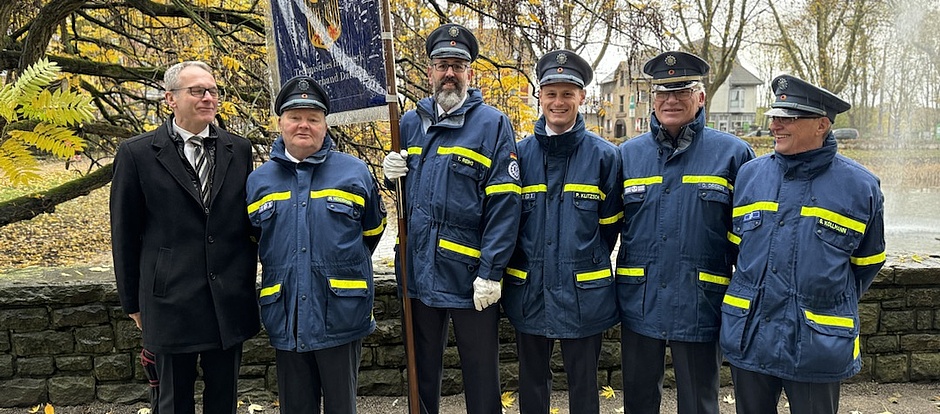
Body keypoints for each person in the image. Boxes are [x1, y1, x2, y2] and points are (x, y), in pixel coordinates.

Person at [720, 75, 886, 414]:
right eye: (775, 116)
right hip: (750, 336)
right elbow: (738, 248)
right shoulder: (750, 176)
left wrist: (823, 298)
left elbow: (868, 263)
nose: (775, 125)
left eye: (789, 118)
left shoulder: (860, 187)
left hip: (817, 343)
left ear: (822, 125)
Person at [381, 23, 522, 414]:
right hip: (418, 269)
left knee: (480, 372)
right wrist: (389, 174)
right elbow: (409, 200)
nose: (449, 73)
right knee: (420, 369)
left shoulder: (492, 124)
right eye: (442, 64)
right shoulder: (408, 123)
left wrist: (491, 271)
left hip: (469, 274)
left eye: (458, 66)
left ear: (469, 74)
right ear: (429, 71)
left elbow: (505, 202)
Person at [110, 61, 260, 414]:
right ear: (170, 99)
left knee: (223, 400)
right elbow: (124, 234)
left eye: (213, 91)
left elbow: (246, 220)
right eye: (197, 91)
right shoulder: (136, 154)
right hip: (169, 302)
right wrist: (132, 302)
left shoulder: (239, 149)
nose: (208, 98)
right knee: (173, 402)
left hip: (227, 300)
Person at [615, 51, 755, 414]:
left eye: (682, 90)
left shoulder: (734, 155)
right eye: (663, 91)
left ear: (701, 97)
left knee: (699, 403)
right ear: (652, 98)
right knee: (639, 401)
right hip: (639, 301)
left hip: (700, 302)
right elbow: (607, 227)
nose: (671, 100)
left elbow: (749, 238)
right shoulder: (627, 156)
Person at [246, 75, 387, 413]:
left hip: (340, 314)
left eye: (313, 118)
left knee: (342, 407)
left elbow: (372, 232)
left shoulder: (354, 172)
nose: (303, 125)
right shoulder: (257, 181)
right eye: (295, 117)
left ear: (326, 125)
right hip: (287, 315)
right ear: (280, 122)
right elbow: (254, 239)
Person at [502, 50, 622, 414]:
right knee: (532, 383)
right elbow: (508, 224)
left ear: (581, 97)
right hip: (530, 290)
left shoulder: (605, 157)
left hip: (584, 294)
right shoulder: (518, 157)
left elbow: (610, 227)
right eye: (551, 93)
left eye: (567, 93)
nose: (558, 102)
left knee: (584, 386)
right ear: (539, 96)